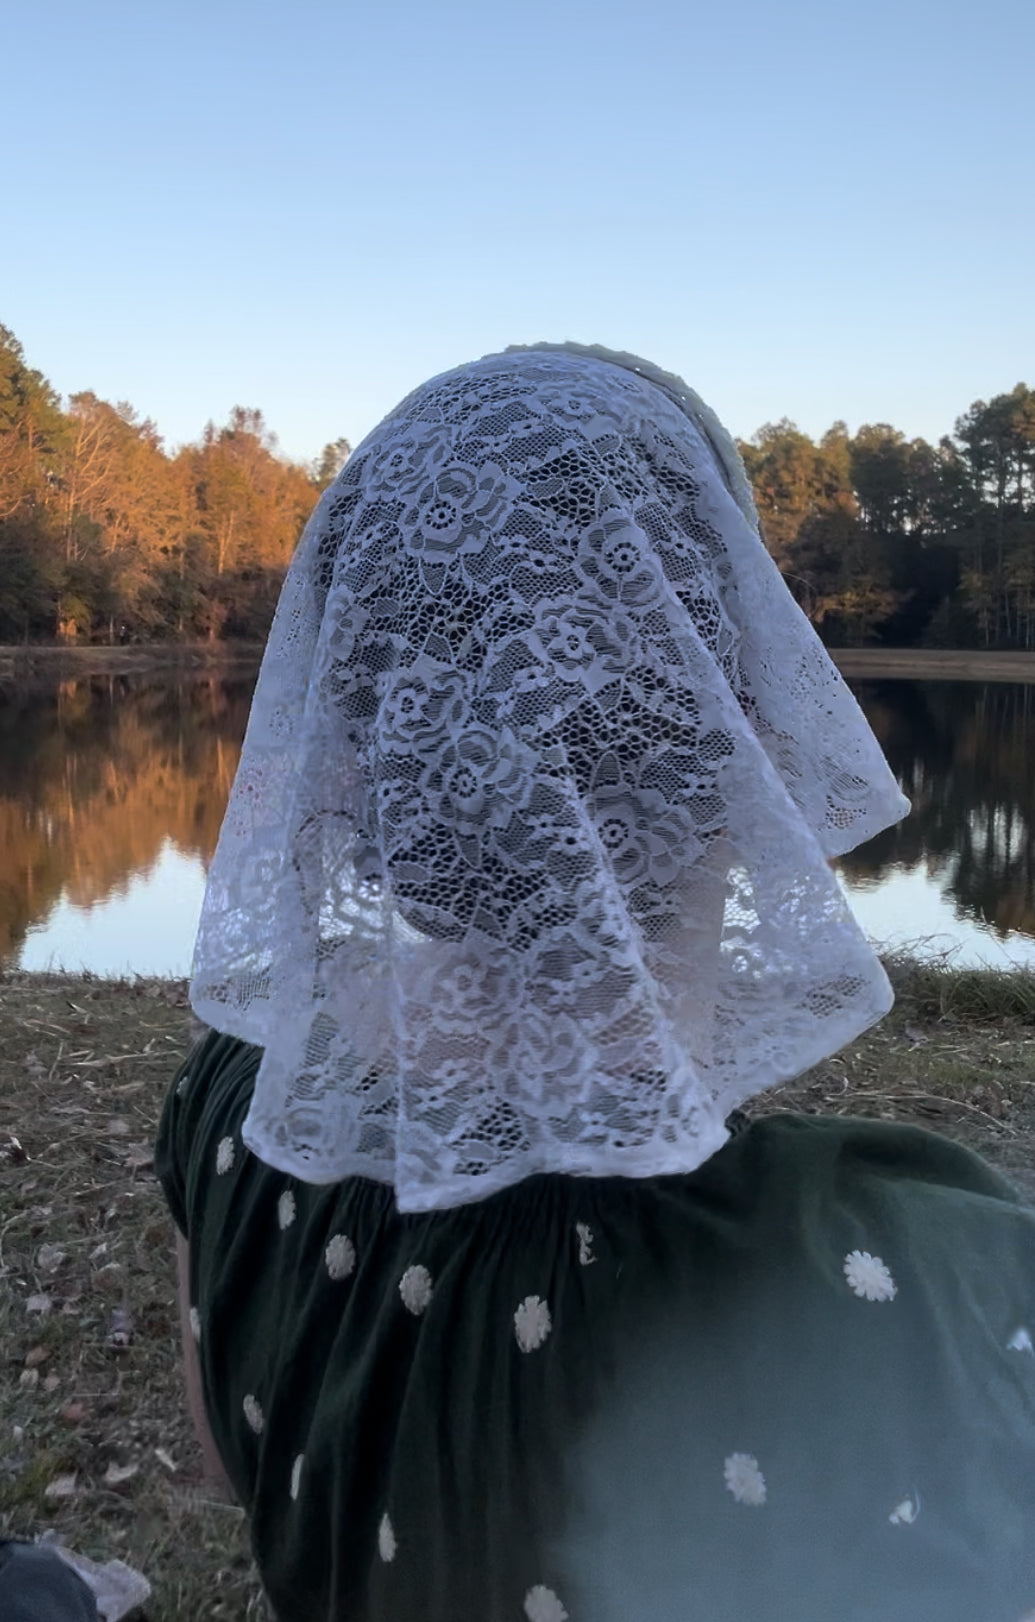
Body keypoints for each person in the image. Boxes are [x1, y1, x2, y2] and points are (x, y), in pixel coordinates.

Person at [155, 344, 1035, 1622]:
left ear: (363, 725)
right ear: (731, 693)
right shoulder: (928, 1293)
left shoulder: (237, 1114)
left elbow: (231, 1459)